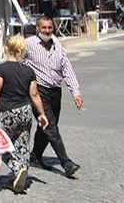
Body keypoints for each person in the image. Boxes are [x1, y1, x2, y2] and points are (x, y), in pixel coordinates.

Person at [0, 35, 49, 193]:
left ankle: (17, 168)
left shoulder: (1, 69)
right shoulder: (28, 71)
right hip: (25, 112)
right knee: (23, 144)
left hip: (7, 112)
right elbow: (34, 95)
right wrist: (42, 114)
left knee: (0, 145)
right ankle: (21, 173)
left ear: (6, 49)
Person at [24, 15, 82, 177]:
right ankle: (66, 163)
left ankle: (35, 156)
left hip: (56, 91)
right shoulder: (28, 45)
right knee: (50, 127)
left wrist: (75, 92)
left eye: (50, 28)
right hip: (38, 92)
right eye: (44, 28)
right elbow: (16, 62)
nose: (47, 31)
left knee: (48, 126)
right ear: (37, 29)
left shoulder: (57, 43)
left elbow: (67, 68)